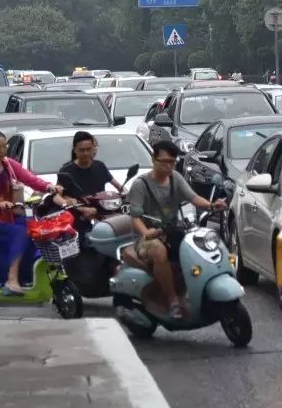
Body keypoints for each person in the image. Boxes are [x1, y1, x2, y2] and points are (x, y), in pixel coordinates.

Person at [126, 141, 226, 319]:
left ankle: (196, 292)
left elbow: (194, 198)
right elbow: (135, 219)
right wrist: (146, 232)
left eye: (172, 162)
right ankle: (172, 301)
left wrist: (212, 206)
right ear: (153, 159)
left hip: (172, 232)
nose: (168, 166)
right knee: (159, 250)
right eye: (163, 161)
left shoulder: (176, 178)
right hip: (147, 239)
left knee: (199, 245)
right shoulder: (140, 184)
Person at [0, 131, 64, 295]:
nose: (2, 150)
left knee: (33, 229)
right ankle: (11, 279)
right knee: (19, 232)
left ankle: (28, 275)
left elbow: (31, 179)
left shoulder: (9, 165)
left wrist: (49, 187)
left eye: (4, 146)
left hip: (10, 218)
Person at [56, 131, 127, 224]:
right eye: (82, 150)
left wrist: (125, 194)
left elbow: (119, 187)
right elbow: (57, 197)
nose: (86, 153)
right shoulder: (66, 170)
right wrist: (80, 208)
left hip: (102, 219)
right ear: (74, 150)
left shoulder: (100, 166)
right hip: (77, 220)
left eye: (88, 149)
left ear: (93, 149)